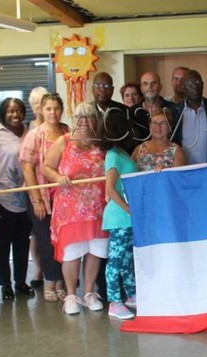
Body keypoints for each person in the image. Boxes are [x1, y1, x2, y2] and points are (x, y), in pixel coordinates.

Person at [41, 103, 108, 315]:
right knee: (72, 252)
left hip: (98, 208)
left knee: (95, 250)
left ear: (95, 120)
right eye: (79, 118)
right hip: (70, 209)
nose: (83, 122)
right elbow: (45, 167)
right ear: (73, 119)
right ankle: (71, 295)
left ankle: (88, 293)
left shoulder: (101, 144)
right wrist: (59, 178)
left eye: (88, 118)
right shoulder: (64, 141)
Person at [20, 93, 67, 302]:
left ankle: (61, 282)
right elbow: (27, 167)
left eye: (56, 108)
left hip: (65, 199)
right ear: (41, 110)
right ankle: (50, 282)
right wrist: (36, 199)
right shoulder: (34, 135)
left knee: (63, 242)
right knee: (47, 244)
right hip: (42, 199)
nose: (53, 113)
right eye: (48, 108)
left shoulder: (67, 132)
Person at [0, 98, 33, 302]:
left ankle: (20, 281)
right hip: (2, 199)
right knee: (2, 246)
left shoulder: (30, 133)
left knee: (22, 243)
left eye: (19, 111)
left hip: (27, 198)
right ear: (3, 113)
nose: (15, 115)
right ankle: (5, 284)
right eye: (10, 111)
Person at [100, 109, 139, 320]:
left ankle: (131, 295)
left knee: (125, 259)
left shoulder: (121, 152)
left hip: (126, 217)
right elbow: (110, 188)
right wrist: (128, 208)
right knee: (116, 260)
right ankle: (114, 301)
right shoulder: (113, 155)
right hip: (119, 217)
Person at [167, 69, 207, 165]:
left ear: (202, 85)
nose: (194, 86)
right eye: (189, 82)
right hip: (184, 170)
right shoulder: (173, 112)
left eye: (197, 82)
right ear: (182, 87)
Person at [26, 86, 49, 287]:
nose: (40, 107)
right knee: (37, 234)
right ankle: (39, 269)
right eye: (36, 104)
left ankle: (56, 273)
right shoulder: (30, 130)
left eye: (43, 102)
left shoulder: (61, 128)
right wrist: (36, 198)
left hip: (56, 192)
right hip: (36, 191)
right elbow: (27, 166)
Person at [133, 71, 174, 141]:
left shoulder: (173, 109)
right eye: (145, 84)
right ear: (141, 89)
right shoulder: (132, 112)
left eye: (153, 83)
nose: (150, 86)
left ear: (160, 87)